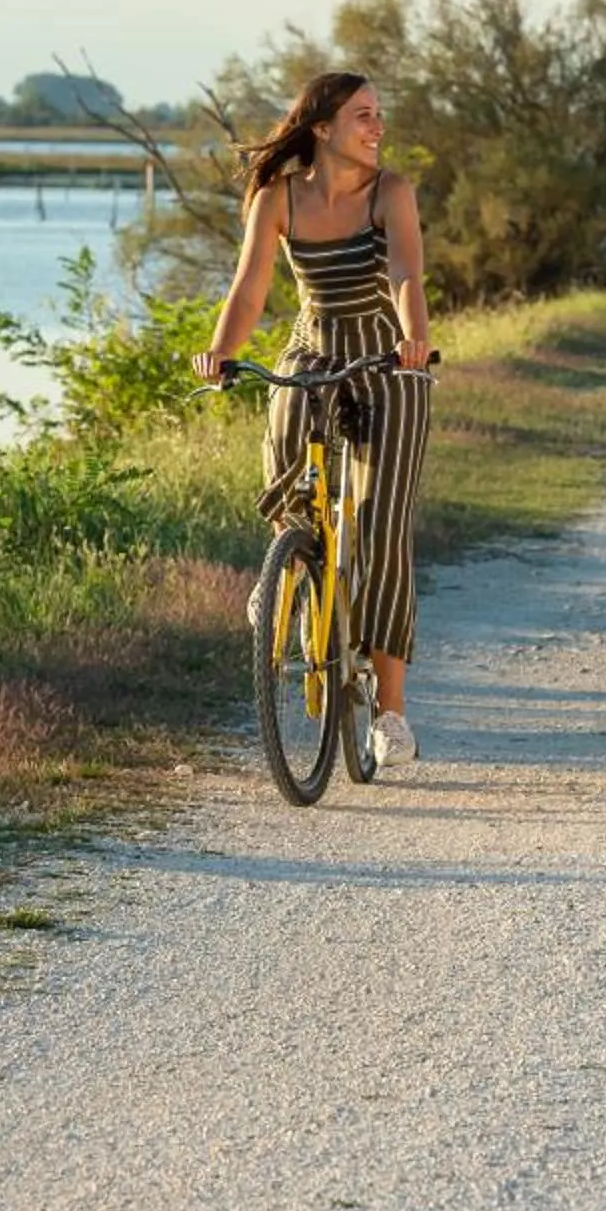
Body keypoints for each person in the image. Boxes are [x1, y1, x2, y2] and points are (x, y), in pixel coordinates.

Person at [196, 71, 437, 765]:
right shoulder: (279, 197)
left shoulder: (391, 192)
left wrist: (414, 343)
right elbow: (249, 289)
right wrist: (220, 353)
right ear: (323, 128)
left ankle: (389, 713)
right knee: (284, 441)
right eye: (362, 115)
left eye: (379, 115)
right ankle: (289, 572)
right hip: (313, 345)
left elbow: (406, 278)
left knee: (384, 532)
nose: (377, 126)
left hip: (386, 356)